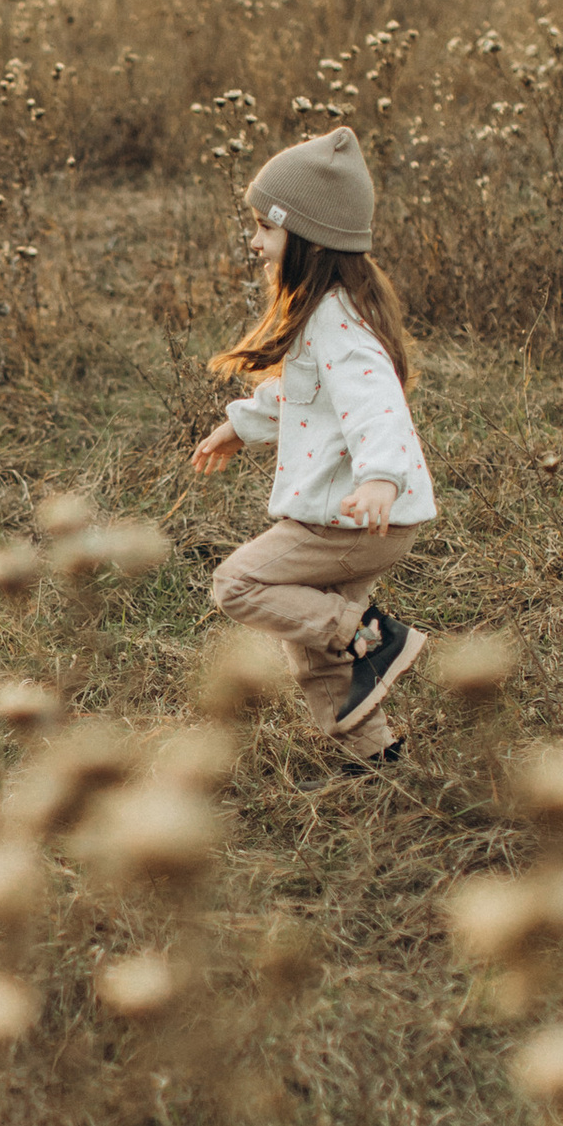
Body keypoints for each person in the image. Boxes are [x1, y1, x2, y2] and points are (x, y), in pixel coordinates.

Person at [187, 124, 436, 766]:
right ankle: (375, 756)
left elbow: (377, 405)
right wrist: (240, 425)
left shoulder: (338, 325)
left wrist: (381, 477)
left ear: (306, 238)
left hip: (348, 522)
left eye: (265, 229)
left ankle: (373, 637)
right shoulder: (325, 310)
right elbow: (298, 394)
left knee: (239, 584)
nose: (255, 242)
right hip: (358, 518)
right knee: (311, 642)